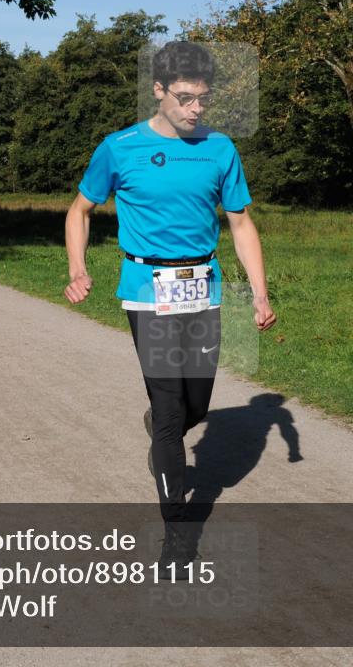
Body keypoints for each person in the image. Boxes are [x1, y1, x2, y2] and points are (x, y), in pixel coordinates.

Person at [64, 40, 276, 577]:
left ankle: (171, 422)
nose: (195, 109)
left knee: (197, 404)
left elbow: (242, 223)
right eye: (184, 98)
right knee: (167, 410)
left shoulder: (220, 149)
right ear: (157, 91)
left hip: (202, 285)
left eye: (202, 99)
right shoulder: (120, 147)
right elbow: (80, 209)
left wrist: (260, 291)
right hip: (146, 286)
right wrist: (77, 269)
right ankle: (178, 536)